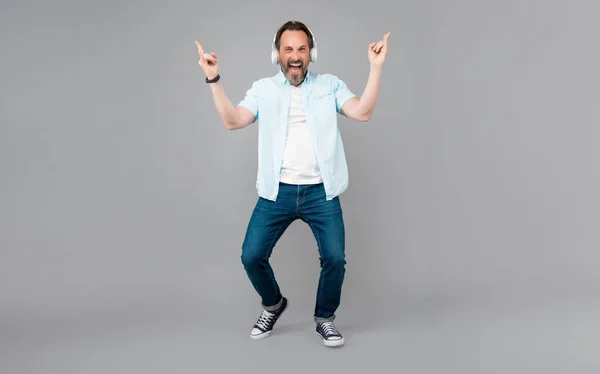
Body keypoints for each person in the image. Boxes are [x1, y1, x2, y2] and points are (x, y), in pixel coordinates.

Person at [195, 20, 389, 347]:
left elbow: (363, 112)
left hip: (321, 193)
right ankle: (273, 305)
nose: (295, 56)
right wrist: (213, 79)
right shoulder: (263, 90)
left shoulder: (330, 85)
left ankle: (325, 318)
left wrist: (375, 69)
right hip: (277, 192)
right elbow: (233, 121)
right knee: (251, 256)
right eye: (288, 49)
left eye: (301, 48)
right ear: (277, 55)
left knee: (334, 259)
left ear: (312, 53)